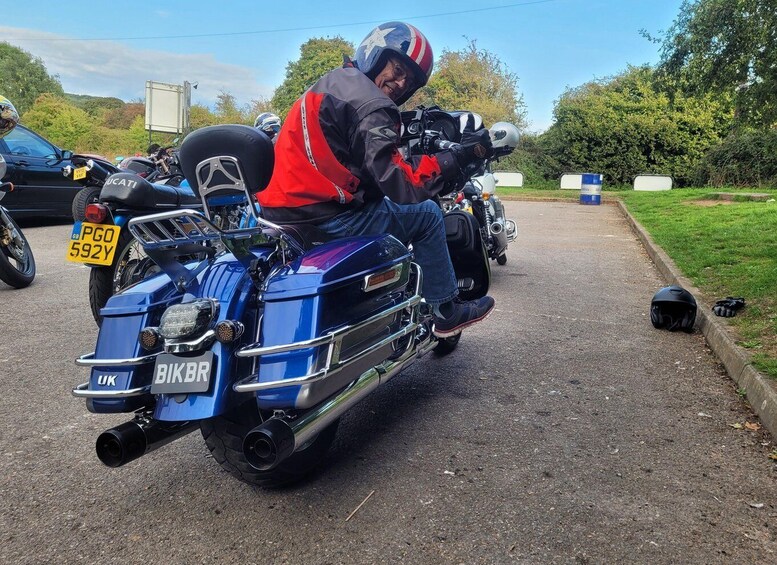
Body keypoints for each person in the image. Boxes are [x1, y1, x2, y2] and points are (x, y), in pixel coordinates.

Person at [258, 21, 495, 338]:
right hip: (325, 217)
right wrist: (453, 159)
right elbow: (402, 184)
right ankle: (446, 311)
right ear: (376, 55)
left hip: (278, 211)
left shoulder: (332, 83)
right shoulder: (372, 104)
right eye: (397, 69)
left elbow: (360, 163)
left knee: (383, 205)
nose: (400, 83)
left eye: (408, 80)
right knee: (426, 214)